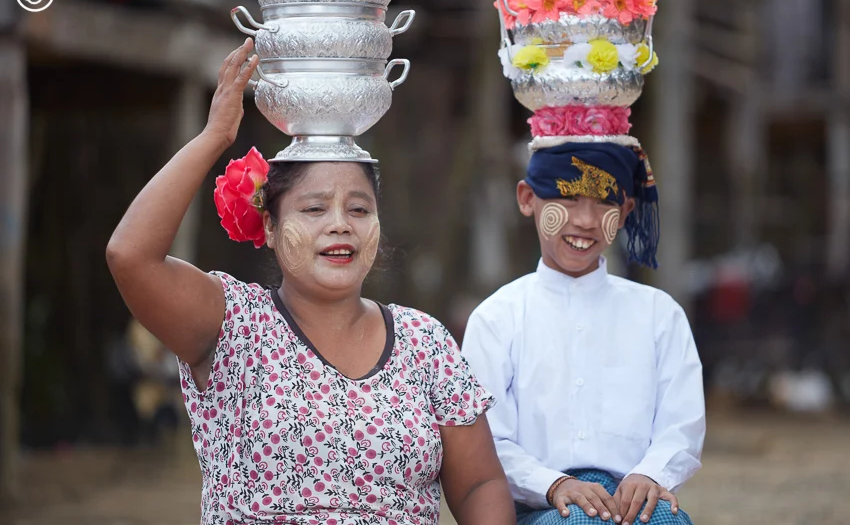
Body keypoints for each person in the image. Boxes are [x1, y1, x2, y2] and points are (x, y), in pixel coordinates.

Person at [106, 38, 514, 525]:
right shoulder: (233, 325)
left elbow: (479, 485)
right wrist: (214, 136)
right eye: (315, 208)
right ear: (272, 229)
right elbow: (129, 256)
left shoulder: (424, 343)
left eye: (359, 209)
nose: (340, 224)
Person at [461, 140, 705, 525]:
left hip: (635, 503)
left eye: (605, 202)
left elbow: (682, 425)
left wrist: (651, 474)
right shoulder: (497, 318)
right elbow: (486, 442)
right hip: (540, 507)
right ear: (527, 198)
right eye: (569, 198)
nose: (587, 220)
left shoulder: (659, 314)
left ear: (625, 211)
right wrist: (555, 484)